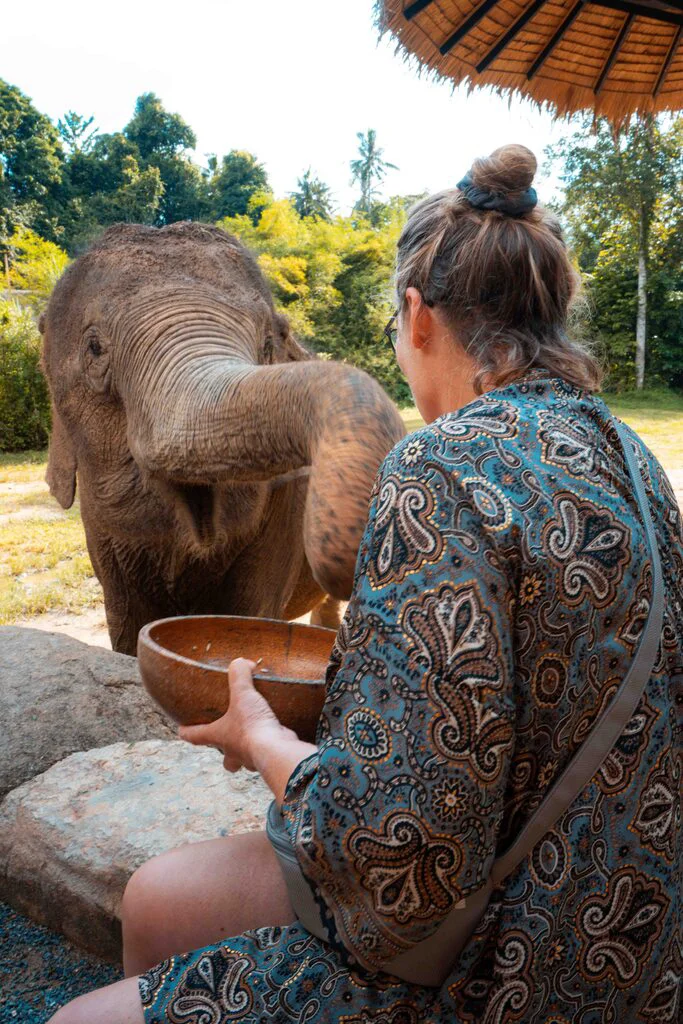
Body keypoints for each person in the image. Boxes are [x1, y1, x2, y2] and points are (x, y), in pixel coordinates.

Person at [49, 144, 682, 1024]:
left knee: (72, 1021)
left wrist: (262, 737)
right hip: (633, 930)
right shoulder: (633, 460)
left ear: (417, 317)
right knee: (161, 895)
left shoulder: (435, 470)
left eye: (395, 328)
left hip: (507, 969)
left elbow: (402, 866)